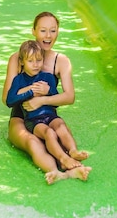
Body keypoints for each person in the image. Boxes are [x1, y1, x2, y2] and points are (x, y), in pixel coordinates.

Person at [2, 11, 91, 184]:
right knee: (33, 142)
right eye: (43, 30)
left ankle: (73, 168)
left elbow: (69, 97)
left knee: (57, 133)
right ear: (34, 31)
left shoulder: (61, 61)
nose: (48, 36)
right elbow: (6, 97)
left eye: (53, 30)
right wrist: (30, 93)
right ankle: (54, 172)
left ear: (58, 31)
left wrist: (42, 99)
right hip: (21, 117)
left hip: (47, 115)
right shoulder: (18, 58)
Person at [6, 40, 88, 168]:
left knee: (60, 125)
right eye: (30, 61)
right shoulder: (19, 80)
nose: (35, 65)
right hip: (33, 120)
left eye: (38, 60)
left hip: (50, 115)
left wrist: (48, 91)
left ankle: (73, 151)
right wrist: (30, 92)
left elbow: (55, 101)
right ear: (22, 62)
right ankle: (63, 158)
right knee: (49, 133)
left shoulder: (48, 77)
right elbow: (9, 101)